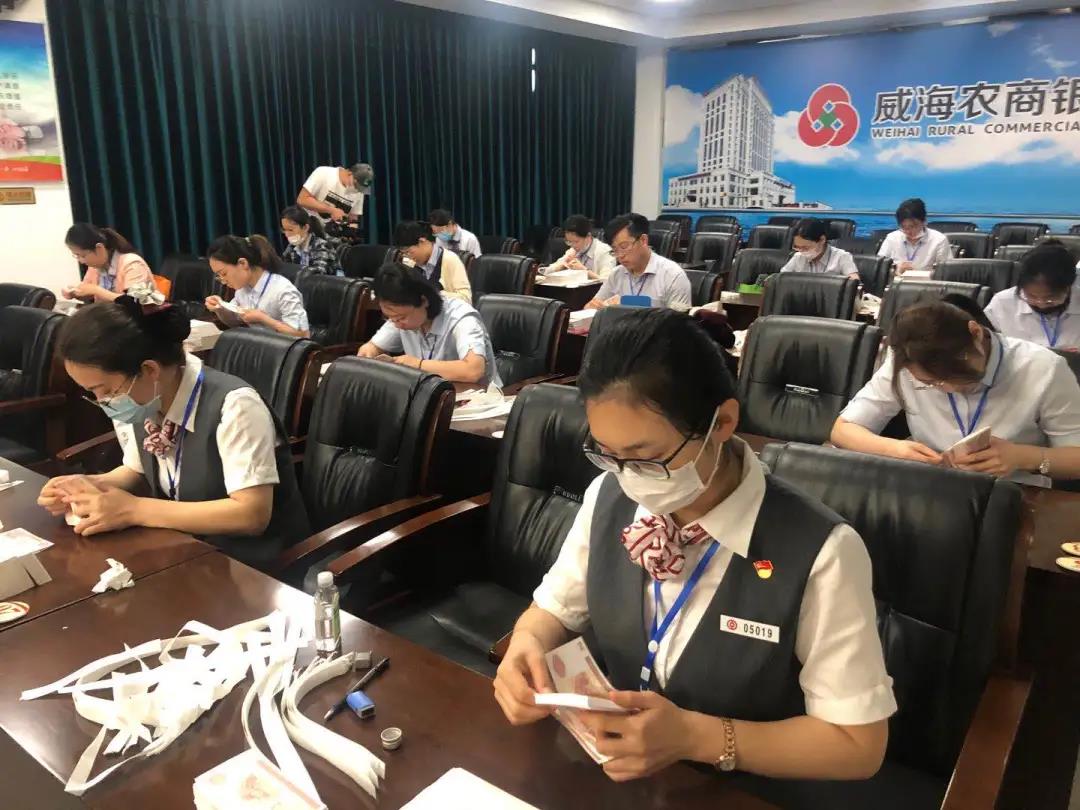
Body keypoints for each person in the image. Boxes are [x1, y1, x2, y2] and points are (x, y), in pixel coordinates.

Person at [495, 308, 893, 791]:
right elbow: (554, 609)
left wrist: (694, 738)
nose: (628, 477)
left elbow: (858, 745)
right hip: (618, 773)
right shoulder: (609, 495)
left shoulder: (822, 551)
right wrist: (527, 643)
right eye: (608, 454)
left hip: (740, 789)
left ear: (722, 423)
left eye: (646, 457)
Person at [36, 295, 311, 571]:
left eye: (105, 390)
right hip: (187, 551)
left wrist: (133, 509)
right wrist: (86, 486)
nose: (104, 402)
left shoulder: (235, 406)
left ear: (149, 370)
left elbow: (250, 515)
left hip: (255, 567)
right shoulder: (145, 401)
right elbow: (135, 470)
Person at [832, 297, 1080, 486]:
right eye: (931, 383)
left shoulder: (1043, 369)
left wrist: (1023, 457)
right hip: (931, 487)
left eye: (959, 377)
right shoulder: (906, 360)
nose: (948, 388)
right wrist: (896, 450)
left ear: (976, 333)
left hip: (1014, 493)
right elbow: (843, 430)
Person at [357, 262, 501, 387]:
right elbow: (373, 347)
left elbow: (473, 370)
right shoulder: (400, 316)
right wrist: (368, 353)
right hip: (431, 396)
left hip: (480, 399)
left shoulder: (462, 317)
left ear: (424, 301)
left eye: (401, 318)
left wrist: (417, 365)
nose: (397, 325)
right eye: (390, 318)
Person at [205, 235, 310, 338]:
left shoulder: (283, 290)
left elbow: (303, 335)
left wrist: (264, 319)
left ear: (243, 263)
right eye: (218, 276)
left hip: (283, 348)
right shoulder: (242, 289)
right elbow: (234, 322)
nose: (223, 281)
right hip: (258, 345)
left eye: (224, 274)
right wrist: (220, 309)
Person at [985, 239, 1080, 351]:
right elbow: (985, 346)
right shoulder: (1002, 303)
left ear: (1069, 287)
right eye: (1031, 296)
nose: (1041, 304)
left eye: (1050, 299)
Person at [585, 213, 691, 310]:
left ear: (643, 240)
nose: (620, 255)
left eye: (624, 247)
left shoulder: (672, 276)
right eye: (615, 250)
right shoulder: (616, 274)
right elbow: (591, 307)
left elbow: (679, 321)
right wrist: (592, 307)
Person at [63, 223, 154, 302]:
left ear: (99, 248)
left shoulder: (132, 263)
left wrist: (96, 290)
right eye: (76, 256)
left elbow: (135, 302)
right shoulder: (94, 268)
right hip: (109, 315)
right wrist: (75, 293)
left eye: (82, 256)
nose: (81, 261)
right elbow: (89, 294)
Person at [393, 220, 472, 304]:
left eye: (408, 252)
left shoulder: (450, 260)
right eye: (404, 253)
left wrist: (434, 294)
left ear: (422, 241)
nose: (408, 256)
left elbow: (466, 298)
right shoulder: (408, 261)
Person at [876, 198, 950, 275]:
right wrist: (895, 269)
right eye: (903, 227)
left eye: (912, 226)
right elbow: (879, 268)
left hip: (927, 282)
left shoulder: (939, 240)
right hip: (896, 280)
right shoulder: (892, 238)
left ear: (924, 221)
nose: (908, 231)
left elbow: (946, 272)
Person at [780, 219, 859, 279]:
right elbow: (780, 279)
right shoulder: (798, 256)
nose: (801, 251)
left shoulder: (842, 257)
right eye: (797, 247)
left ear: (822, 240)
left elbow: (854, 285)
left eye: (806, 248)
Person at [545, 214, 617, 280]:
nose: (573, 246)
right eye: (569, 241)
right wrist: (560, 267)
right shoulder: (572, 250)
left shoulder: (604, 252)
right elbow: (546, 271)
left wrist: (584, 271)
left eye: (576, 242)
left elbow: (607, 282)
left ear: (588, 236)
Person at [296, 163, 373, 223]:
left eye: (360, 188)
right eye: (356, 185)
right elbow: (302, 199)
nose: (356, 189)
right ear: (350, 173)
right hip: (308, 225)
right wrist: (331, 210)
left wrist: (351, 233)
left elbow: (353, 217)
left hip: (333, 234)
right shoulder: (323, 173)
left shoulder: (359, 191)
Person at [280, 205, 341, 276]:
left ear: (305, 228)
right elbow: (283, 267)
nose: (287, 234)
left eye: (290, 230)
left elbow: (317, 275)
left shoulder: (321, 245)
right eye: (284, 230)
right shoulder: (292, 246)